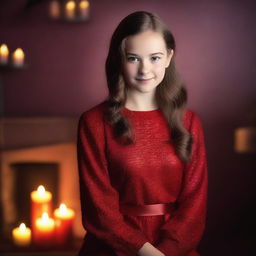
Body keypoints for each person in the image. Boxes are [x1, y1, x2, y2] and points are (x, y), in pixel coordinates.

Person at [77, 11, 208, 256]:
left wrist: (167, 251)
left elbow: (195, 206)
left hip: (176, 249)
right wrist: (145, 252)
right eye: (133, 58)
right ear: (118, 59)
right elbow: (99, 209)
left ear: (169, 57)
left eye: (155, 58)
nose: (145, 69)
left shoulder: (189, 122)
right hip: (113, 249)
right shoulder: (93, 122)